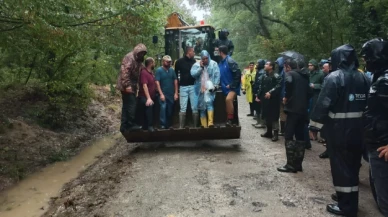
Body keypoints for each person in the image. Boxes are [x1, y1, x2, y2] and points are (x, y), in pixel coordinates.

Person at [311, 44, 369, 216]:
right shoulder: (364, 78)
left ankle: (346, 207)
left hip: (339, 132)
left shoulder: (334, 78)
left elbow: (323, 103)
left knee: (341, 168)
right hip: (359, 132)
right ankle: (349, 200)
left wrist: (314, 125)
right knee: (353, 167)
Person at [361, 38, 388, 216]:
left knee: (385, 201)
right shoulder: (378, 77)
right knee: (379, 194)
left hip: (382, 147)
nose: (364, 61)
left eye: (366, 57)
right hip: (375, 143)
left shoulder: (386, 81)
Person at [277, 52, 312, 173]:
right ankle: (298, 164)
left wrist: (286, 97)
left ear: (288, 67)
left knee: (288, 135)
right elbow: (309, 93)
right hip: (303, 110)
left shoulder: (290, 74)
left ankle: (290, 164)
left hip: (293, 110)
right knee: (300, 136)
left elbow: (289, 82)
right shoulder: (305, 76)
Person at [116, 43, 147, 133]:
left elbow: (142, 68)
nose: (142, 55)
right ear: (137, 51)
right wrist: (127, 85)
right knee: (132, 105)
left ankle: (123, 126)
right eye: (141, 53)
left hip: (132, 86)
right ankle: (130, 125)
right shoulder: (129, 58)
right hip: (126, 85)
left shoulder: (138, 60)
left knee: (126, 106)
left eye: (143, 53)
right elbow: (125, 72)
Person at [191, 50, 220, 128]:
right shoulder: (197, 65)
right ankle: (204, 125)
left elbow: (217, 75)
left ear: (208, 57)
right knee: (202, 107)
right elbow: (193, 74)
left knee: (209, 103)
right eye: (203, 59)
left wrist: (216, 85)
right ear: (201, 58)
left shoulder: (213, 64)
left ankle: (210, 123)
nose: (205, 60)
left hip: (210, 88)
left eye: (206, 58)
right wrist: (200, 68)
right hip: (200, 88)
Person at [257, 60, 282, 141]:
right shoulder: (264, 76)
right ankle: (268, 132)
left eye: (267, 64)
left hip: (274, 100)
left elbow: (279, 86)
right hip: (265, 99)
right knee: (266, 114)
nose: (265, 65)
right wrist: (258, 96)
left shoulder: (276, 75)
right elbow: (261, 86)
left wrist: (271, 92)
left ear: (271, 66)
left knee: (274, 116)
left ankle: (275, 134)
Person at [174, 47, 198, 128]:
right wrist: (176, 91)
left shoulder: (194, 62)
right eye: (193, 51)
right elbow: (176, 76)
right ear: (189, 52)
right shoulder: (179, 62)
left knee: (194, 107)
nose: (194, 53)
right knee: (183, 107)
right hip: (183, 87)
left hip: (193, 86)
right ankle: (181, 127)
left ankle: (195, 127)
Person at [218, 45, 241, 126]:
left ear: (221, 52)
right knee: (225, 103)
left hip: (232, 88)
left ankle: (230, 120)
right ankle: (230, 119)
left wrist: (232, 85)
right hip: (224, 88)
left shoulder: (230, 61)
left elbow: (238, 74)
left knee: (228, 100)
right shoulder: (221, 63)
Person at [155, 55, 179, 129]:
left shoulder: (172, 70)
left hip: (171, 94)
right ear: (163, 62)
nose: (169, 63)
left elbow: (175, 81)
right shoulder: (159, 70)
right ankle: (162, 124)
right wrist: (161, 94)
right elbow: (157, 82)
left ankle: (169, 125)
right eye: (167, 62)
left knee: (170, 109)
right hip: (163, 94)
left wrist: (176, 92)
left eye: (170, 62)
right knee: (163, 107)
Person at [307, 59, 325, 141]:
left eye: (311, 65)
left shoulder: (321, 74)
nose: (309, 67)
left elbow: (324, 86)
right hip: (309, 95)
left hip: (316, 96)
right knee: (309, 113)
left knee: (314, 114)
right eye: (309, 65)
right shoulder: (308, 73)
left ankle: (315, 133)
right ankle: (310, 132)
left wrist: (315, 86)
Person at [138, 57, 156, 132]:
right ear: (150, 63)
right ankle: (149, 126)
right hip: (143, 97)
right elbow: (144, 85)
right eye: (154, 63)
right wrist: (148, 98)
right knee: (149, 105)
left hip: (152, 96)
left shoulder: (151, 73)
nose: (154, 64)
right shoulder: (144, 73)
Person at [318, 62, 331, 159]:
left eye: (324, 68)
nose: (323, 69)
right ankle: (329, 149)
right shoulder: (327, 77)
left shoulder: (333, 77)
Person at [252, 59, 266, 128]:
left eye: (258, 63)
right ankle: (258, 122)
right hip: (257, 92)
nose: (256, 64)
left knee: (260, 108)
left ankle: (262, 123)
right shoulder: (259, 71)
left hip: (259, 93)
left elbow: (260, 84)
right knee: (257, 108)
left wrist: (257, 93)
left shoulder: (262, 72)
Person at [276, 57, 287, 135]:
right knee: (282, 113)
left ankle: (284, 130)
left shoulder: (284, 72)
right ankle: (283, 130)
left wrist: (284, 96)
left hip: (283, 96)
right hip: (282, 95)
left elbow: (284, 85)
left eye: (278, 63)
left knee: (283, 113)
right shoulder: (281, 71)